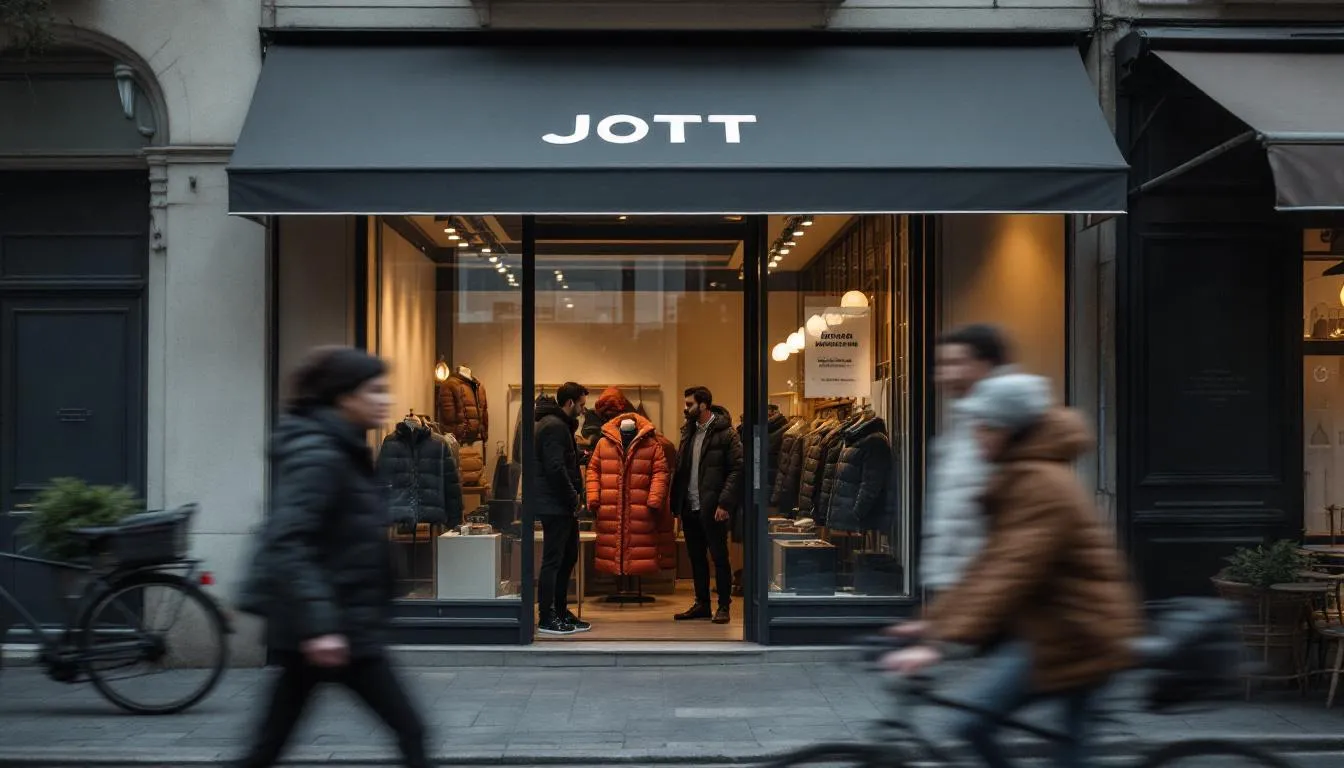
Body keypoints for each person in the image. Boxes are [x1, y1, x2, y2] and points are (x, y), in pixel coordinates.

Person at [883, 373, 1142, 768]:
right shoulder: (1020, 474)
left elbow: (1008, 571)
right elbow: (988, 565)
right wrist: (930, 623)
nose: (976, 435)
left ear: (1008, 430)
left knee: (974, 722)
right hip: (1054, 629)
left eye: (984, 426)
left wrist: (937, 643)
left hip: (1080, 634)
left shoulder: (1039, 482)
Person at [235, 346, 432, 768]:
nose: (386, 401)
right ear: (345, 397)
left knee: (268, 745)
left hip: (335, 625)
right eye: (375, 391)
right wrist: (321, 626)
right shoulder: (320, 454)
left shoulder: (341, 449)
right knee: (411, 730)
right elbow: (288, 540)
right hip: (332, 627)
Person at [921, 324, 1012, 595]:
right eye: (941, 364)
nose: (942, 373)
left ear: (984, 364)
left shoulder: (1004, 424)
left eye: (954, 362)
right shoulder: (962, 423)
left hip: (987, 592)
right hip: (959, 587)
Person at [670, 386, 743, 625]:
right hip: (690, 506)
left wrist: (724, 502)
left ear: (703, 405)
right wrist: (677, 505)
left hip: (713, 507)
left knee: (719, 557)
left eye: (690, 404)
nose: (685, 408)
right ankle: (702, 603)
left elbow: (737, 469)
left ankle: (724, 605)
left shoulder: (727, 434)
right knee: (696, 558)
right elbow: (682, 470)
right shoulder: (688, 432)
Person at [533, 381, 589, 636]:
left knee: (567, 557)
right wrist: (573, 497)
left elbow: (561, 461)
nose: (582, 410)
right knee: (554, 560)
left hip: (559, 503)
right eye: (581, 404)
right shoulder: (554, 427)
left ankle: (560, 610)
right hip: (555, 504)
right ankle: (547, 616)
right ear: (570, 403)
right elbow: (555, 468)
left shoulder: (558, 426)